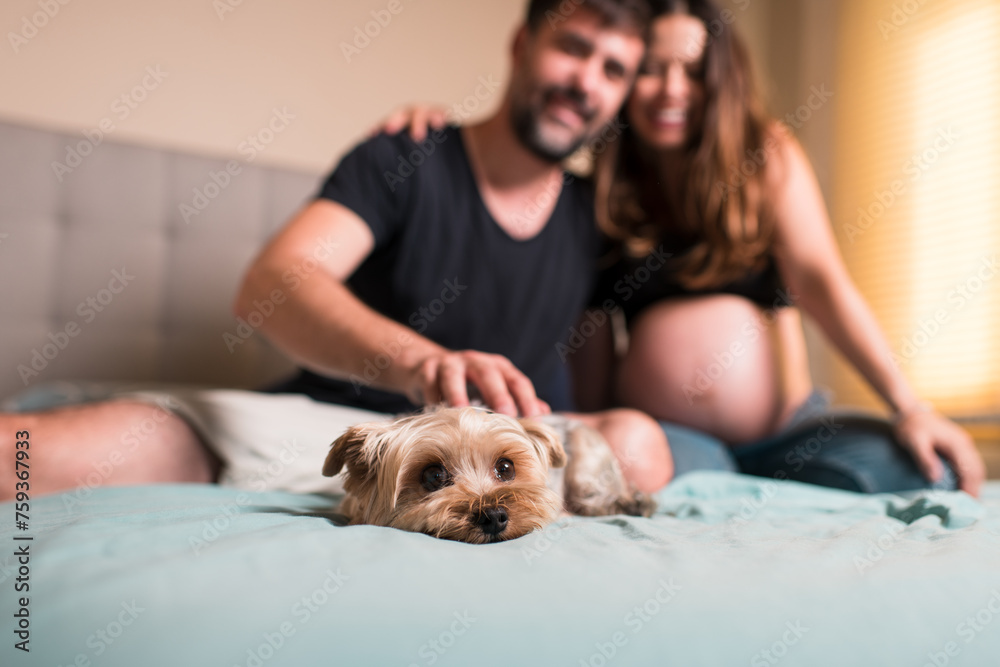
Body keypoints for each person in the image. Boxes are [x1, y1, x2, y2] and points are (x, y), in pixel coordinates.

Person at [0, 0, 673, 501]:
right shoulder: (406, 156)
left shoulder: (598, 220)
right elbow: (275, 282)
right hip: (332, 435)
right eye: (573, 47)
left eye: (613, 69)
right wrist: (422, 363)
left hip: (502, 462)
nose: (586, 80)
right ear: (523, 42)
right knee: (21, 459)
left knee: (640, 446)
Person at [379, 0, 987, 496]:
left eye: (692, 69)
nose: (671, 89)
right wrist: (446, 134)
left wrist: (910, 407)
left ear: (718, 78)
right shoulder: (601, 192)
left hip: (786, 429)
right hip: (676, 443)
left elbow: (822, 281)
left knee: (929, 473)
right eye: (650, 69)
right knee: (634, 469)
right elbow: (589, 340)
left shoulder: (765, 156)